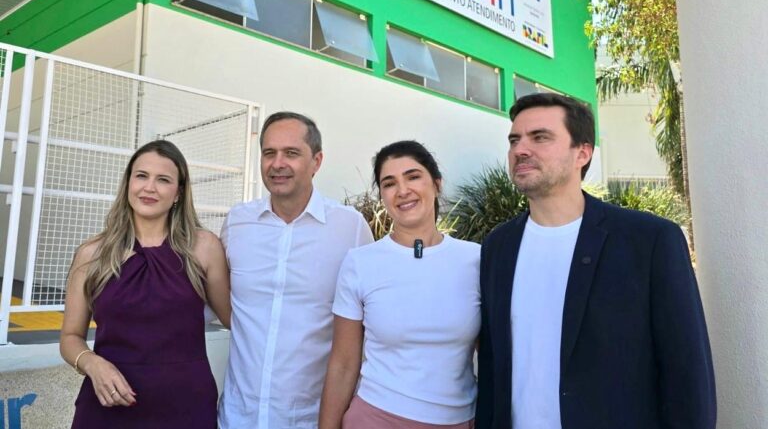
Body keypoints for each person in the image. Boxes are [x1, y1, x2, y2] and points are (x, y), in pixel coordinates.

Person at [475, 93, 716, 429]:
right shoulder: (498, 246)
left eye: (540, 137)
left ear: (583, 153)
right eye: (514, 140)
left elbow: (687, 370)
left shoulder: (649, 241)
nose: (521, 149)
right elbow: (492, 365)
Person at [218, 112, 374, 429]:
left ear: (317, 161)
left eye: (291, 153)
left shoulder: (350, 227)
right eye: (269, 153)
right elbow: (222, 302)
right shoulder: (237, 223)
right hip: (237, 417)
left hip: (309, 419)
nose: (278, 164)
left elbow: (370, 318)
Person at [60, 140, 231, 429]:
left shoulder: (204, 247)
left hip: (186, 408)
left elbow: (235, 319)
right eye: (141, 176)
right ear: (128, 183)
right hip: (108, 405)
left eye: (163, 180)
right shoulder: (92, 254)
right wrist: (93, 364)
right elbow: (70, 337)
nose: (149, 187)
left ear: (178, 192)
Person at [319, 140, 480, 429]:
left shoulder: (476, 260)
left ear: (437, 184)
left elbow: (493, 355)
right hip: (375, 418)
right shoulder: (360, 263)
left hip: (458, 420)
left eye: (413, 176)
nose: (402, 190)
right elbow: (343, 364)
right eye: (389, 183)